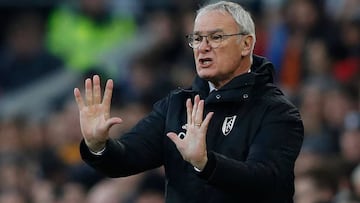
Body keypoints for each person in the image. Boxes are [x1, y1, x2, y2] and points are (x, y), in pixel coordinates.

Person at [74, 1, 304, 202]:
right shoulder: (176, 106)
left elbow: (265, 182)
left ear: (246, 44)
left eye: (216, 37)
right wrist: (98, 146)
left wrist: (206, 163)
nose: (203, 47)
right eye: (197, 38)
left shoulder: (277, 112)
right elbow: (126, 159)